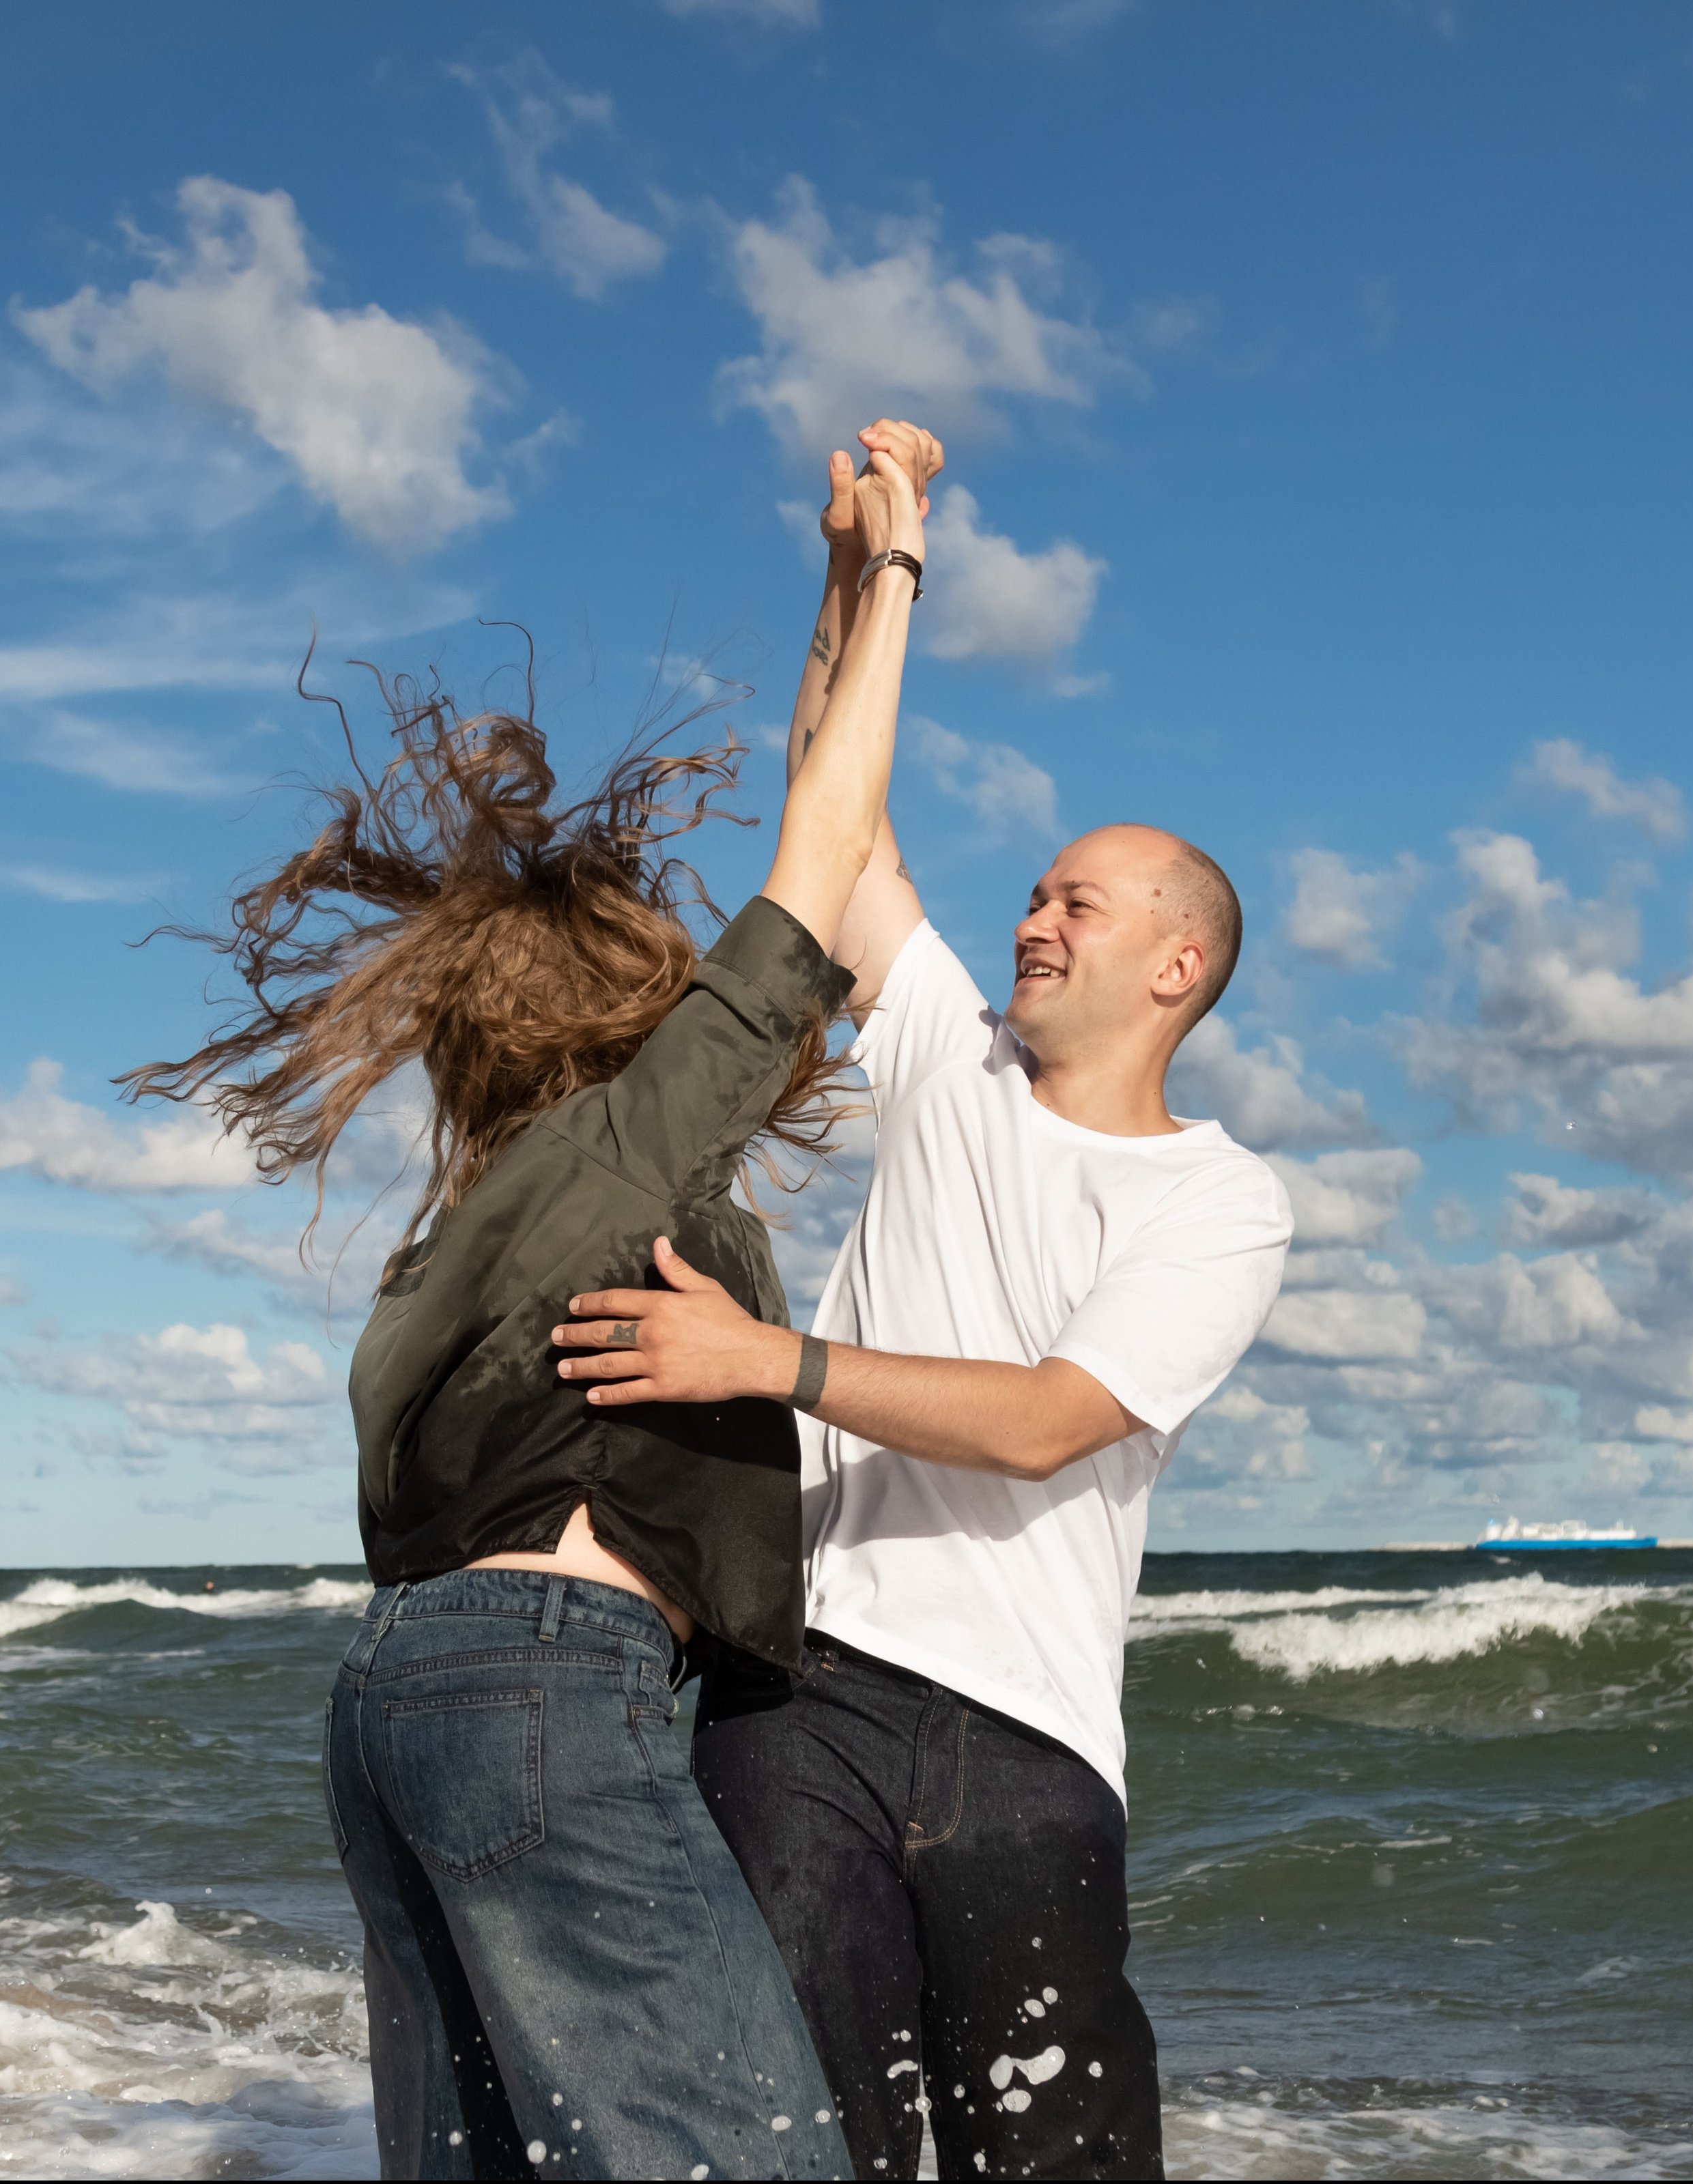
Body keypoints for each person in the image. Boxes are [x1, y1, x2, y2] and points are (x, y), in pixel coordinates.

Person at [121, 416, 942, 2182]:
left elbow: (817, 845)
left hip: (402, 1706)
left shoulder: (465, 1233)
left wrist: (827, 579)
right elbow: (824, 845)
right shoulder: (616, 1154)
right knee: (749, 2160)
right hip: (546, 1690)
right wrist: (897, 567)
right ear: (633, 1020)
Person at [551, 511, 1295, 2180]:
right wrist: (866, 572)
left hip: (1024, 1741)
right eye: (1029, 894)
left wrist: (769, 1361)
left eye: (1075, 904)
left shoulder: (1220, 1200)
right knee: (819, 2148)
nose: (1031, 919)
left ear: (1175, 964)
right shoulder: (949, 1060)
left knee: (1063, 2159)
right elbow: (837, 810)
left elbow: (1047, 1422)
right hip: (796, 1700)